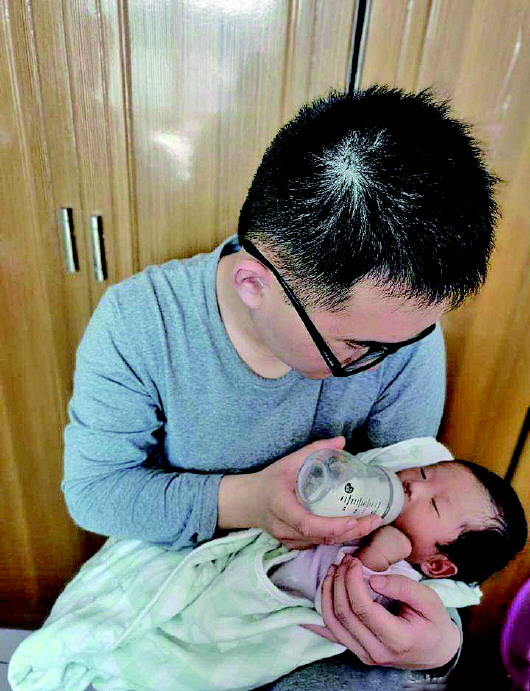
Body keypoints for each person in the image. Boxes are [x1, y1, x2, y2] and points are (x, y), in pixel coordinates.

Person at [61, 86, 499, 689]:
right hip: (181, 576)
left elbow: (406, 499)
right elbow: (96, 491)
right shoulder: (142, 323)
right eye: (357, 347)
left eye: (411, 339)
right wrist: (249, 502)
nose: (385, 363)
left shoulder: (402, 334)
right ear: (253, 284)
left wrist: (440, 649)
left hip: (317, 598)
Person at [9, 442, 527, 691]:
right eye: (425, 472)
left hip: (255, 620)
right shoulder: (372, 496)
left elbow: (346, 591)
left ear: (437, 565)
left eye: (432, 503)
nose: (412, 483)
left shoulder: (407, 580)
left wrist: (375, 556)